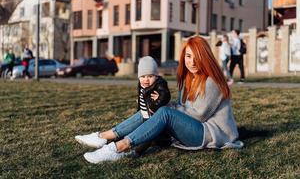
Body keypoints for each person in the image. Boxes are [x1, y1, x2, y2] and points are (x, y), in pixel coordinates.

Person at [75, 36, 243, 164]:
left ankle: (118, 148)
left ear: (205, 57)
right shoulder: (189, 79)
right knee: (151, 109)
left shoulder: (212, 82)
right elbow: (182, 108)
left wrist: (166, 108)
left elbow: (198, 115)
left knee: (163, 112)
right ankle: (104, 136)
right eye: (188, 56)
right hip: (194, 128)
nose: (192, 62)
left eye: (197, 57)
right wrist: (162, 105)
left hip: (208, 133)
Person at [75, 56, 171, 158]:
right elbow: (141, 99)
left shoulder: (159, 84)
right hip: (144, 115)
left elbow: (165, 95)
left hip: (154, 121)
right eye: (143, 76)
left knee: (145, 140)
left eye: (150, 76)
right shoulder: (142, 85)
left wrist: (158, 101)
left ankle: (133, 152)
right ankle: (104, 138)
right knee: (132, 128)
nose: (146, 80)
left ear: (156, 76)